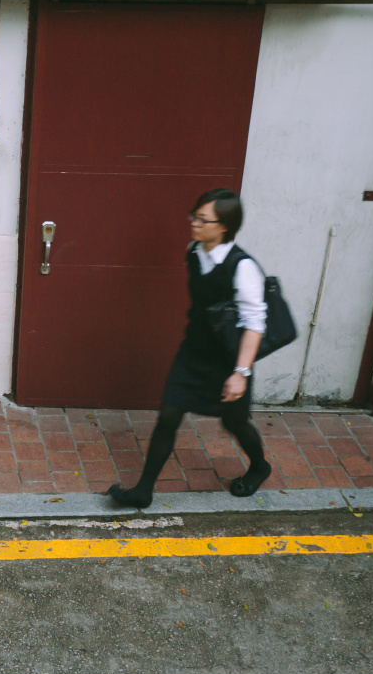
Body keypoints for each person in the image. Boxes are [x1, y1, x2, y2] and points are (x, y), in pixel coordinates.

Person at [108, 188, 271, 509]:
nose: (194, 223)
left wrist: (240, 373)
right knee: (169, 414)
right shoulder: (194, 251)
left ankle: (259, 466)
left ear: (224, 226)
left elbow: (255, 324)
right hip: (193, 353)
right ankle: (143, 491)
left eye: (202, 219)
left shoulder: (243, 268)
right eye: (193, 216)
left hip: (229, 361)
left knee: (234, 423)